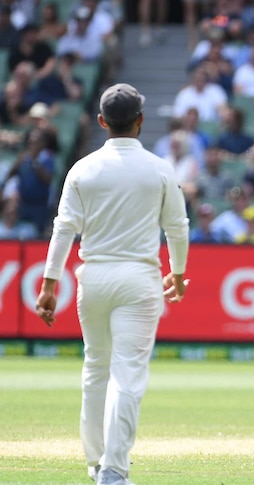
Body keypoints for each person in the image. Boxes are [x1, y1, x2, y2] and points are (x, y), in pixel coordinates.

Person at [34, 83, 190, 484]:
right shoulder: (159, 167)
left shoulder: (82, 168)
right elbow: (177, 226)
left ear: (103, 122)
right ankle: (114, 470)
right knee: (127, 375)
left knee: (95, 369)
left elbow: (63, 229)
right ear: (140, 120)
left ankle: (95, 461)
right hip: (139, 280)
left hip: (94, 279)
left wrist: (50, 283)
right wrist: (177, 271)